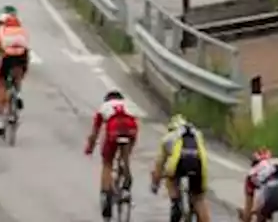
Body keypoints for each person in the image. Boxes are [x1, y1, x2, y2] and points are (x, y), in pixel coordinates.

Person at [85, 88, 141, 220]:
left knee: (107, 162)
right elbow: (136, 122)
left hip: (114, 128)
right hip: (131, 128)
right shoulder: (129, 105)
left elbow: (95, 133)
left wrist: (90, 148)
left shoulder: (103, 107)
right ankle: (125, 167)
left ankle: (106, 195)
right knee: (127, 149)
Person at [152, 113, 211, 222]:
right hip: (197, 163)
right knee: (199, 198)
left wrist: (155, 183)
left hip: (179, 164)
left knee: (171, 178)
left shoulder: (167, 138)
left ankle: (175, 202)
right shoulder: (197, 134)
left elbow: (159, 164)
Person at [0, 5, 30, 137]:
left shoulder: (1, 31)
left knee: (2, 85)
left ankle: (0, 121)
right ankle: (18, 95)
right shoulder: (23, 32)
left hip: (8, 57)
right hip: (21, 57)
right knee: (18, 75)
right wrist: (24, 70)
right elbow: (27, 51)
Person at [240, 149, 278, 222]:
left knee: (260, 214)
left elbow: (248, 208)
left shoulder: (252, 173)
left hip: (271, 189)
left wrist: (246, 216)